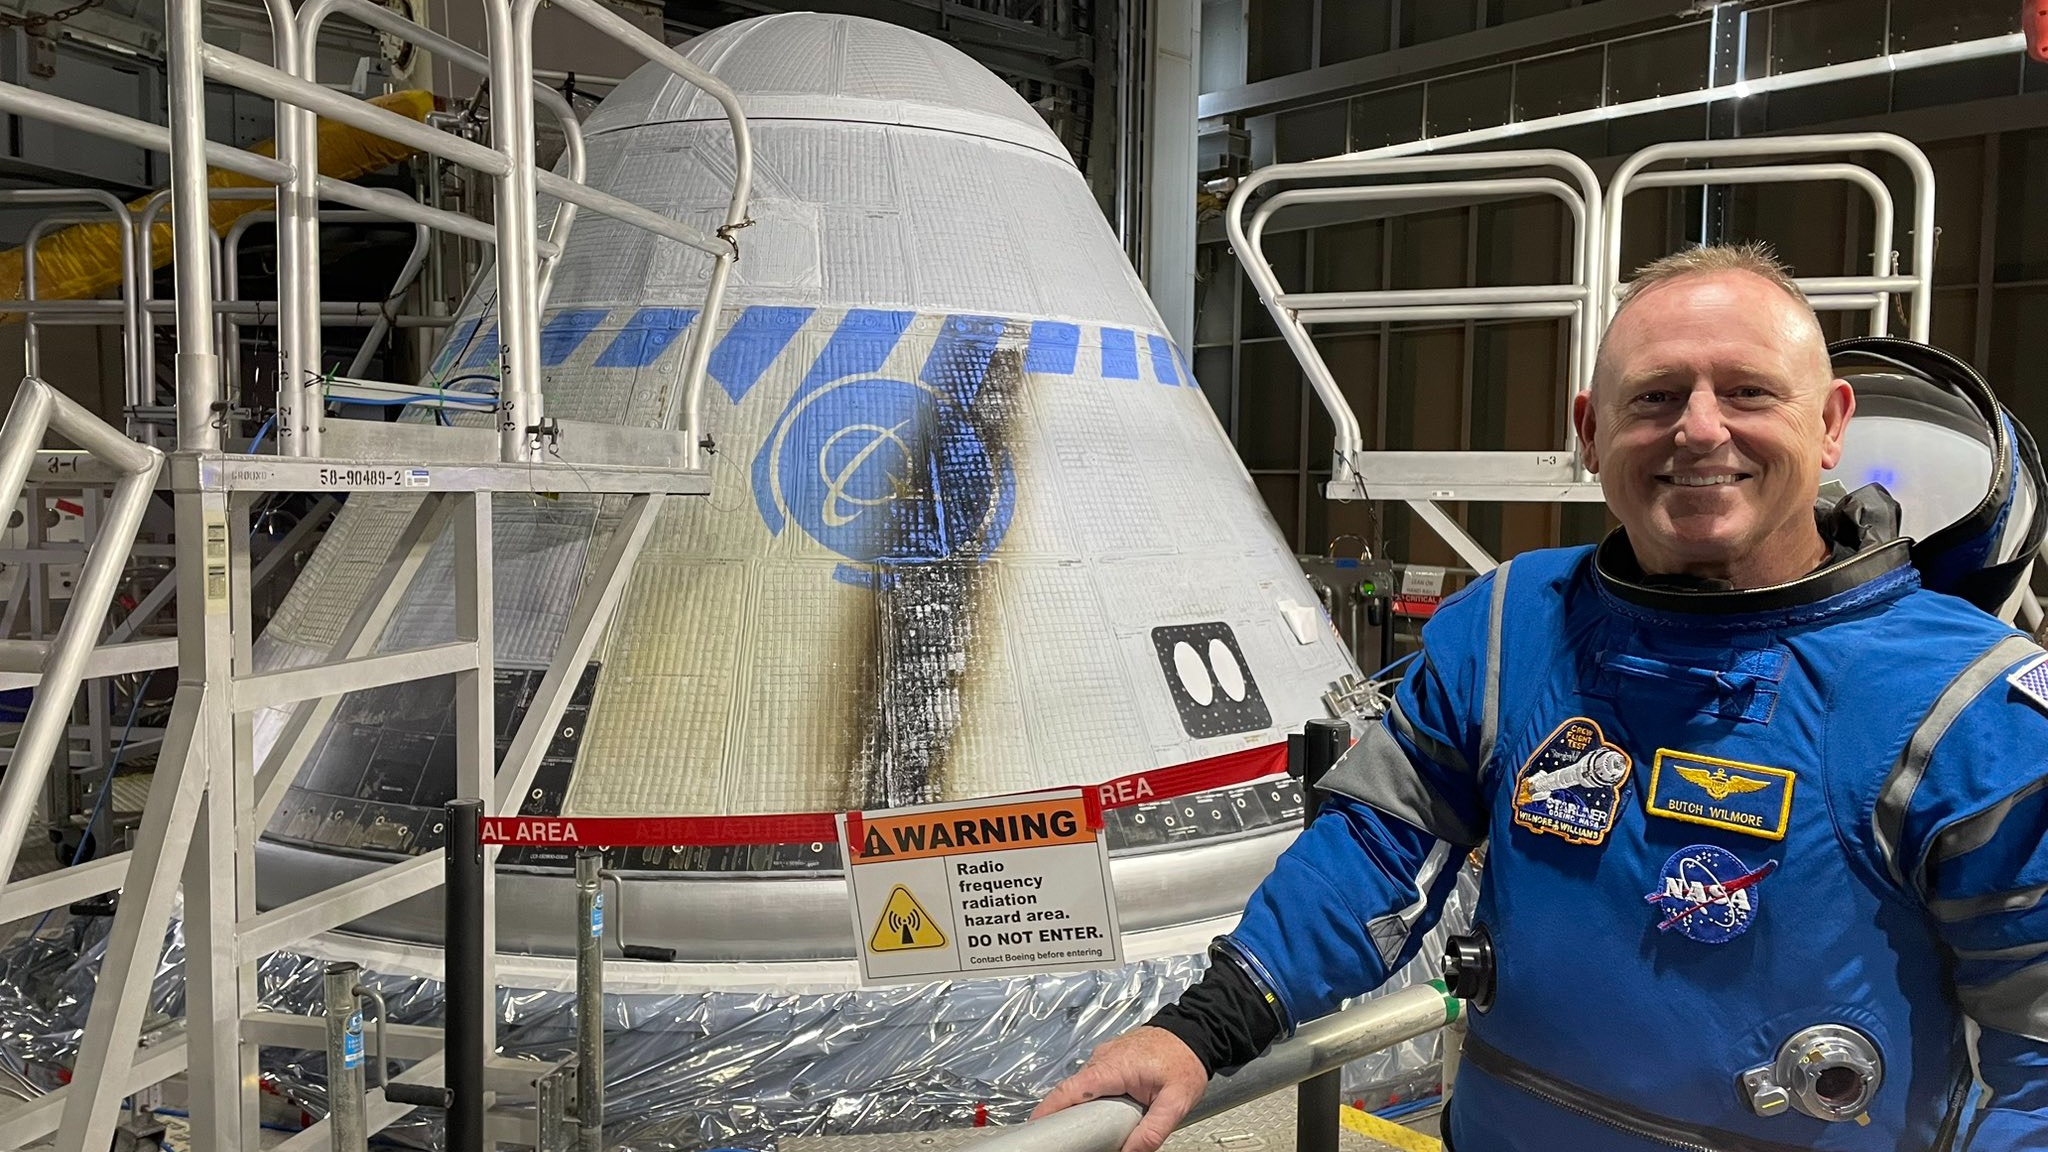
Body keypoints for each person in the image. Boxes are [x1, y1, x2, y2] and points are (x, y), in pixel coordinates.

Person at [1033, 243, 2048, 1152]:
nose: (1698, 430)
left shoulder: (1963, 707)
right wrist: (1199, 1030)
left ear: (1829, 426)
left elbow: (2035, 1060)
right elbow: (1372, 851)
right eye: (1652, 397)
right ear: (1588, 432)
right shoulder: (1508, 629)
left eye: (1746, 392)